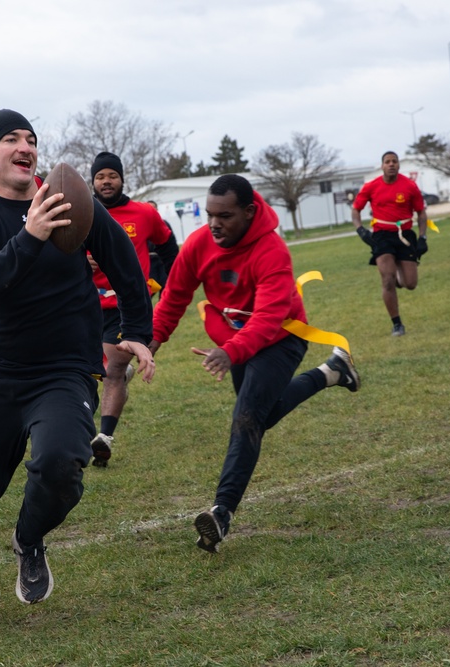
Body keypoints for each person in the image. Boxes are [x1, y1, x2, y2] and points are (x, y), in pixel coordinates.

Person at [0, 110, 154, 645]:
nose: (25, 146)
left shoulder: (71, 199)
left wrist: (138, 329)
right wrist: (29, 235)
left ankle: (29, 539)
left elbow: (125, 266)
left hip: (62, 369)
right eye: (11, 138)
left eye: (31, 138)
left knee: (59, 463)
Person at [150, 174, 360, 554]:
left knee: (247, 417)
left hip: (280, 337)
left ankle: (221, 513)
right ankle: (332, 372)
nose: (214, 224)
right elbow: (175, 296)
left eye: (225, 216)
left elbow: (266, 319)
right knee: (261, 413)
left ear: (249, 212)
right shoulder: (200, 243)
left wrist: (230, 352)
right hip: (239, 342)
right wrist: (151, 342)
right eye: (210, 215)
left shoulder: (272, 250)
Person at [87, 152, 174, 465]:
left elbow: (167, 246)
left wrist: (167, 284)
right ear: (93, 182)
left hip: (126, 307)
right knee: (94, 370)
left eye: (112, 175)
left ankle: (104, 437)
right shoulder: (83, 214)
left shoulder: (144, 213)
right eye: (100, 177)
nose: (106, 181)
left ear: (122, 179)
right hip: (87, 305)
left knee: (111, 369)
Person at [351, 150, 428, 337]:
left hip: (405, 235)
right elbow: (356, 210)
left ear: (399, 165)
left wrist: (422, 238)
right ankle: (397, 324)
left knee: (410, 284)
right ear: (382, 165)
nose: (391, 164)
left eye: (394, 161)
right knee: (387, 279)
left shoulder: (409, 186)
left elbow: (421, 213)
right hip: (382, 235)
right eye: (387, 162)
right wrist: (361, 230)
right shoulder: (371, 186)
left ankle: (400, 278)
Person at [145, 201, 179, 300]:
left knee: (165, 286)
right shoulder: (142, 224)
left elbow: (170, 241)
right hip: (150, 261)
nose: (152, 211)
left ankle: (162, 307)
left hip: (162, 260)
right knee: (150, 287)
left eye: (153, 208)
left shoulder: (164, 223)